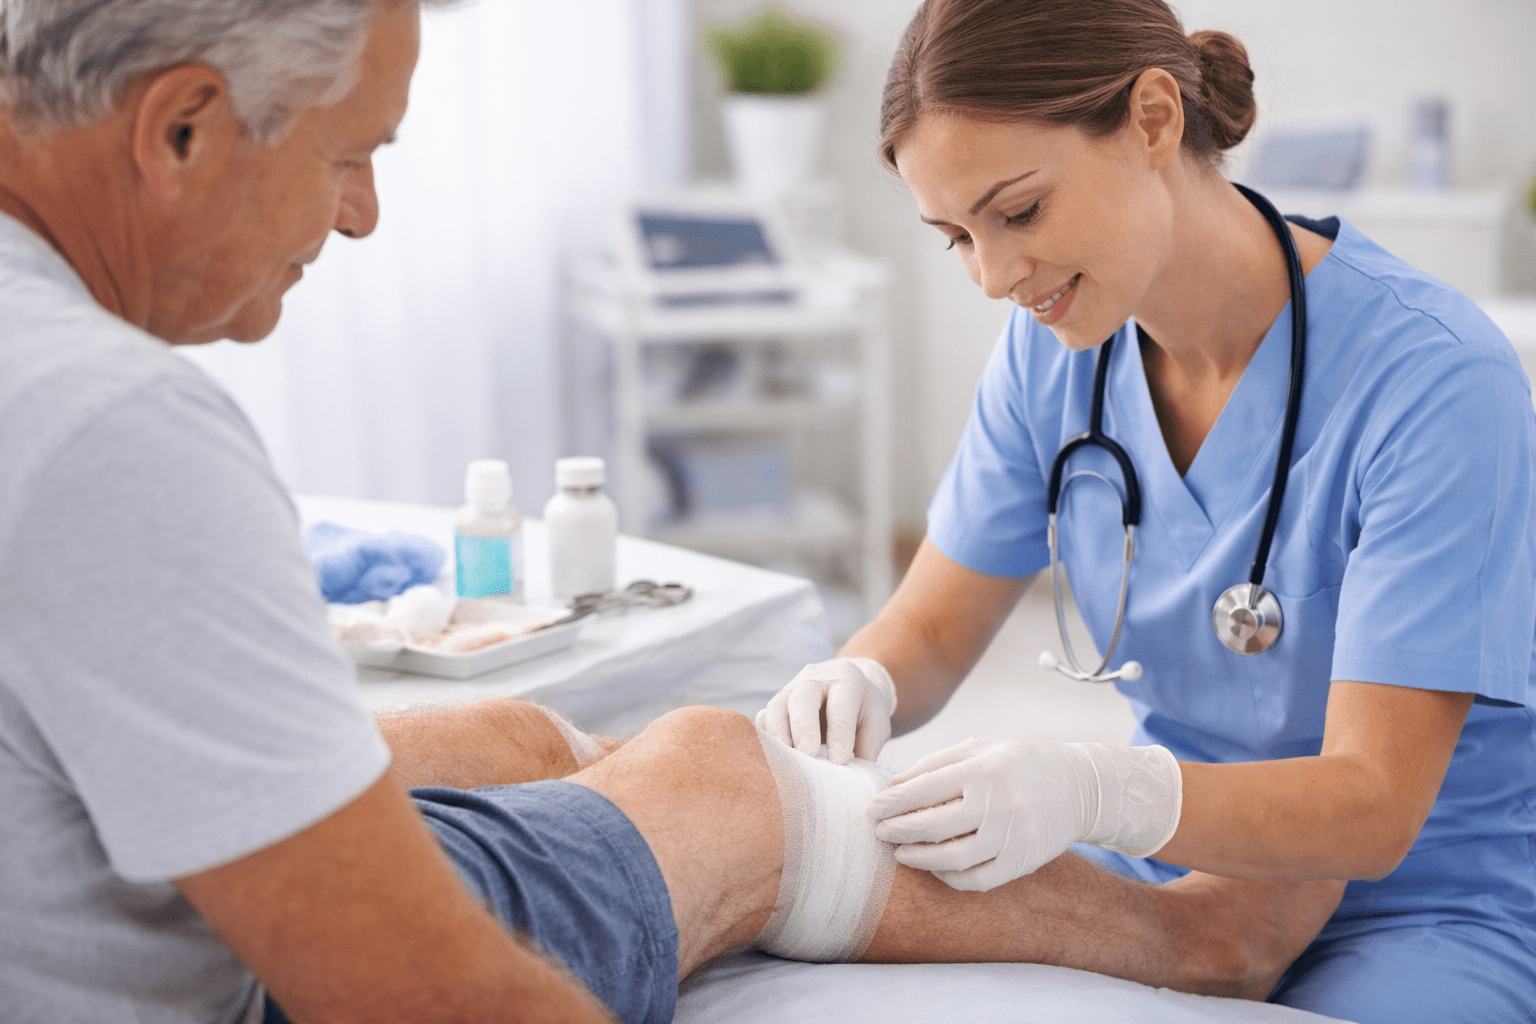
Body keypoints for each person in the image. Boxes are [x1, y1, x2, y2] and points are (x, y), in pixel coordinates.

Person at [0, 2, 1351, 1022]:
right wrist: (818, 755)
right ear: (179, 126)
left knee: (521, 730)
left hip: (107, 884)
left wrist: (1005, 740)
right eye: (350, 155)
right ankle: (1193, 942)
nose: (361, 217)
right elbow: (423, 997)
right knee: (720, 770)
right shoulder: (112, 424)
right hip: (214, 974)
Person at [761, 1, 1536, 1022]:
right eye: (956, 237)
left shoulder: (1434, 383)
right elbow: (935, 628)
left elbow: (1375, 801)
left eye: (1020, 212)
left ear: (1156, 118)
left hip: (1420, 904)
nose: (995, 278)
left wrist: (1100, 790)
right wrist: (857, 677)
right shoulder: (1056, 355)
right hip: (1171, 869)